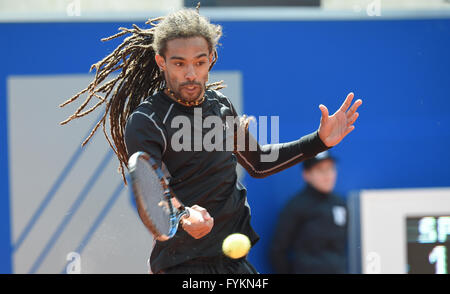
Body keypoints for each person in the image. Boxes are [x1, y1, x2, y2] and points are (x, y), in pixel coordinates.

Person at [60, 7, 362, 274]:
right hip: (181, 263)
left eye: (199, 62)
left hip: (234, 260)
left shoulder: (221, 106)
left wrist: (319, 141)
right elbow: (149, 189)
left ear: (211, 59)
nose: (191, 73)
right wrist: (183, 213)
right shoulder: (146, 120)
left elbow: (257, 163)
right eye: (179, 64)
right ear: (161, 61)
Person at [270, 151, 348, 274]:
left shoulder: (340, 203)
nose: (328, 176)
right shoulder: (296, 206)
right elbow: (278, 250)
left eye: (330, 169)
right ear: (307, 175)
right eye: (320, 170)